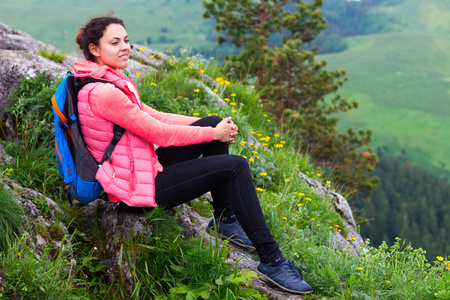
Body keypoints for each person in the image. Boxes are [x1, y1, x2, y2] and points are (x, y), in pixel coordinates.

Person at [73, 14, 313, 294]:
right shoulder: (104, 93)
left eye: (126, 40)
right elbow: (158, 134)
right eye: (114, 42)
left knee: (211, 121)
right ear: (94, 49)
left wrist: (212, 126)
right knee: (235, 167)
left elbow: (153, 116)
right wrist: (213, 136)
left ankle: (225, 221)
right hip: (132, 193)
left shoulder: (104, 79)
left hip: (140, 171)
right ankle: (272, 260)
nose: (124, 47)